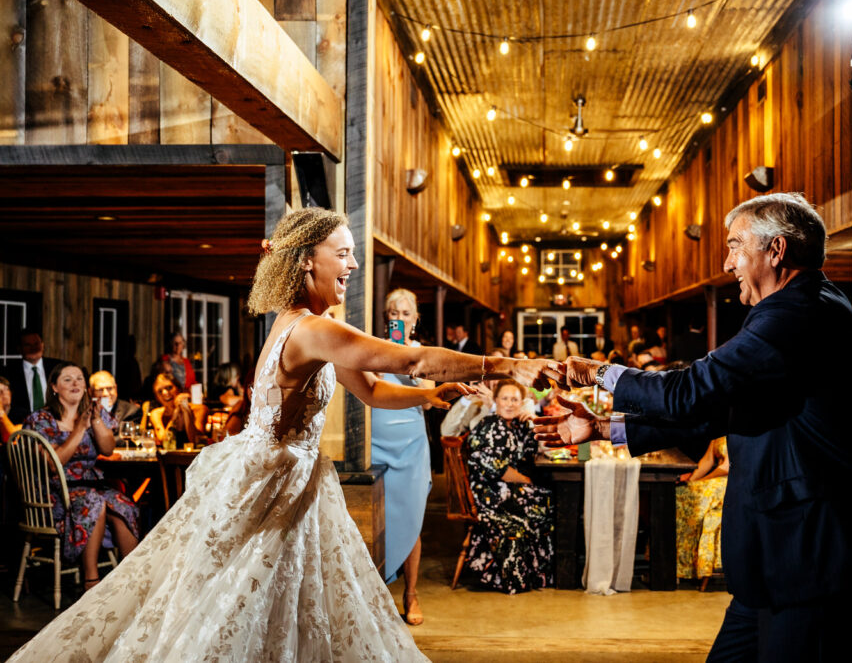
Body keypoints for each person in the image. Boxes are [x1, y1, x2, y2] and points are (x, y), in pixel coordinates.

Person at [8, 208, 562, 662]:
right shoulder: (315, 328)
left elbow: (369, 390)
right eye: (342, 254)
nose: (352, 264)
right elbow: (414, 356)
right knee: (245, 598)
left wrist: (426, 397)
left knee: (270, 597)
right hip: (275, 478)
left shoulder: (301, 323)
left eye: (351, 253)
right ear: (306, 261)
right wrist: (503, 364)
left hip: (280, 471)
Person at [535, 193, 852, 662]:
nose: (727, 262)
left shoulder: (798, 313)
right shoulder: (798, 305)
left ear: (775, 251)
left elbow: (687, 390)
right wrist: (606, 428)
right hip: (778, 564)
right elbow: (718, 409)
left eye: (735, 246)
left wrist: (600, 372)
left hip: (816, 561)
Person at [22, 363, 140, 591]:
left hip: (91, 484)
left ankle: (132, 578)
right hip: (54, 491)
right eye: (68, 379)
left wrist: (94, 421)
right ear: (54, 387)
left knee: (124, 503)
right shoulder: (40, 419)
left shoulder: (94, 411)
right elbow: (53, 466)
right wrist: (78, 430)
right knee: (93, 502)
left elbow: (107, 449)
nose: (75, 383)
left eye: (79, 378)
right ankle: (91, 579)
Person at [370, 288, 433, 625]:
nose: (398, 318)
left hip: (410, 443)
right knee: (375, 519)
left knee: (411, 517)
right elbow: (366, 392)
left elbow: (427, 401)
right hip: (377, 439)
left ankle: (411, 594)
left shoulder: (421, 353)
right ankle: (374, 594)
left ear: (415, 319)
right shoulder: (375, 347)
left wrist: (411, 370)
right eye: (393, 312)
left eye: (405, 313)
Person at [464, 379, 553, 594]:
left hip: (506, 488)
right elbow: (499, 470)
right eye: (505, 399)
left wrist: (532, 421)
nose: (510, 404)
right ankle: (516, 576)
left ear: (522, 402)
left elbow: (535, 450)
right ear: (495, 401)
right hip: (489, 491)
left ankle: (534, 574)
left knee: (543, 498)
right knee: (539, 499)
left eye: (515, 400)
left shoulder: (516, 425)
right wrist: (526, 481)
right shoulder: (489, 427)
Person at [676, 437, 729, 581]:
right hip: (714, 481)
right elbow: (707, 461)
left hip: (730, 483)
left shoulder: (740, 430)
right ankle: (680, 564)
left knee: (691, 497)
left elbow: (726, 467)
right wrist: (692, 480)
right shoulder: (719, 432)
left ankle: (685, 564)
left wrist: (703, 480)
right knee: (681, 492)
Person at [1, 328, 62, 424]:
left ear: (42, 345)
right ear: (19, 348)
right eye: (28, 345)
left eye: (36, 344)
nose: (33, 348)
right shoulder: (7, 373)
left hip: (57, 423)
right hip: (21, 426)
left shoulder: (57, 367)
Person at [148, 372, 208, 448]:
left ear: (178, 389)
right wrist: (174, 416)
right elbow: (165, 442)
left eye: (169, 388)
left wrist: (186, 411)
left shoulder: (199, 409)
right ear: (156, 397)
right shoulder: (156, 414)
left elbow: (196, 440)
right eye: (160, 391)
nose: (165, 393)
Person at [0, 376, 17, 443]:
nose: (4, 394)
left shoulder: (23, 414)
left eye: (6, 389)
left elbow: (14, 437)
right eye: (0, 391)